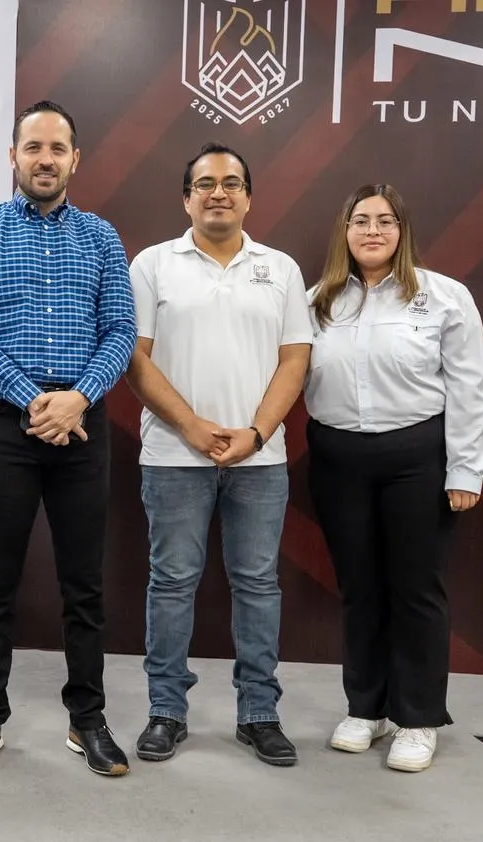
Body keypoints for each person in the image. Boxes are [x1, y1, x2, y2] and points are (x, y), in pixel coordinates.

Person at [0, 100, 136, 778]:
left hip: (83, 421)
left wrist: (78, 397)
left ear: (75, 159)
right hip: (7, 424)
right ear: (13, 157)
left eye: (58, 148)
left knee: (84, 583)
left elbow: (119, 330)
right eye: (33, 147)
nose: (45, 159)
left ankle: (88, 717)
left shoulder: (102, 238)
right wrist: (34, 401)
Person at [125, 142, 311, 767]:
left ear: (249, 197)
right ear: (187, 199)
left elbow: (295, 360)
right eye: (204, 183)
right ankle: (165, 711)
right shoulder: (153, 264)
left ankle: (259, 713)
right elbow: (135, 358)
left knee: (257, 583)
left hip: (260, 458)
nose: (218, 192)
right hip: (173, 454)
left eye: (231, 182)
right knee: (172, 582)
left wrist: (255, 433)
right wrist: (192, 426)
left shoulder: (280, 269)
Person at [304, 183, 483, 773]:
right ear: (344, 231)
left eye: (385, 221)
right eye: (360, 220)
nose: (372, 231)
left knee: (416, 588)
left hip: (417, 456)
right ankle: (367, 708)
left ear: (402, 231)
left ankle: (417, 718)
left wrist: (467, 468)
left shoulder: (444, 298)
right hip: (337, 457)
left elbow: (472, 387)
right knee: (359, 587)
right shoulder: (315, 302)